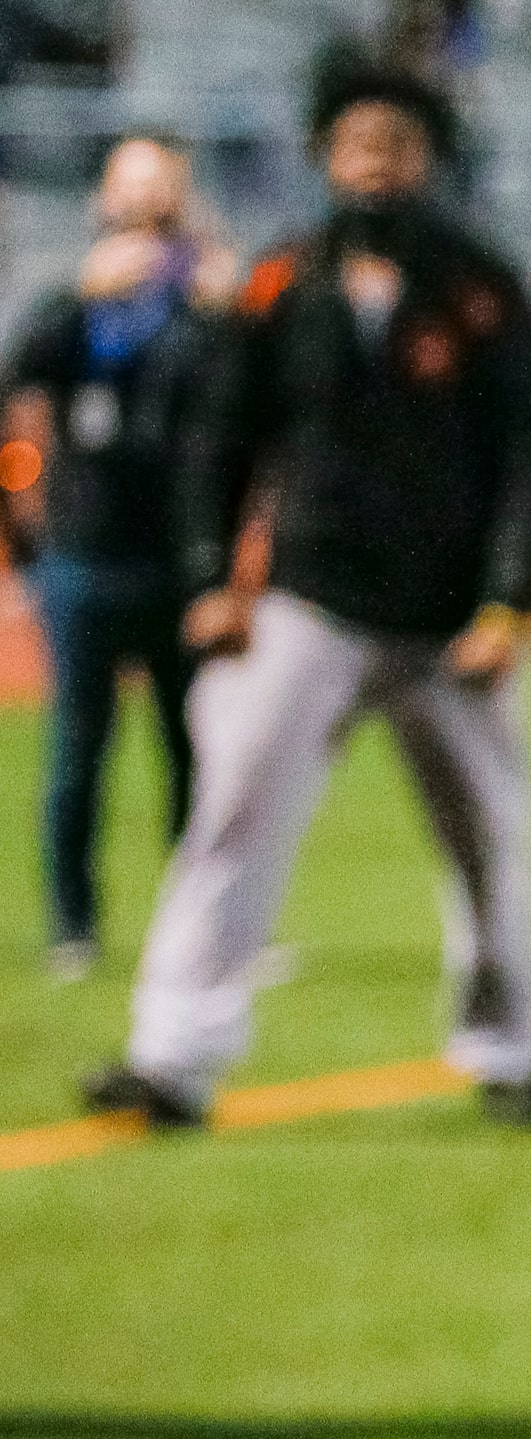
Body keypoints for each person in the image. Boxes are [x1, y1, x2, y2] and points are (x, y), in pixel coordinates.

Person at [82, 61, 531, 1129]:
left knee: (489, 837)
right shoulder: (281, 280)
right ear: (323, 158)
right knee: (232, 812)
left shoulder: (482, 286)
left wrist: (508, 602)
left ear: (429, 157)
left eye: (394, 146)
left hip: (451, 616)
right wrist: (211, 578)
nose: (375, 166)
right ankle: (174, 1056)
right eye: (356, 147)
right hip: (313, 594)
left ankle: (509, 1053)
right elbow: (219, 436)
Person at [3, 136, 229, 982]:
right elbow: (19, 377)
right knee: (79, 750)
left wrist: (221, 299)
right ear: (104, 201)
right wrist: (75, 294)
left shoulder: (199, 304)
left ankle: (203, 925)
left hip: (181, 562)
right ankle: (73, 926)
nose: (146, 214)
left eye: (162, 197)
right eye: (131, 195)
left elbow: (244, 402)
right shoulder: (76, 300)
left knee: (195, 750)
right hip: (84, 558)